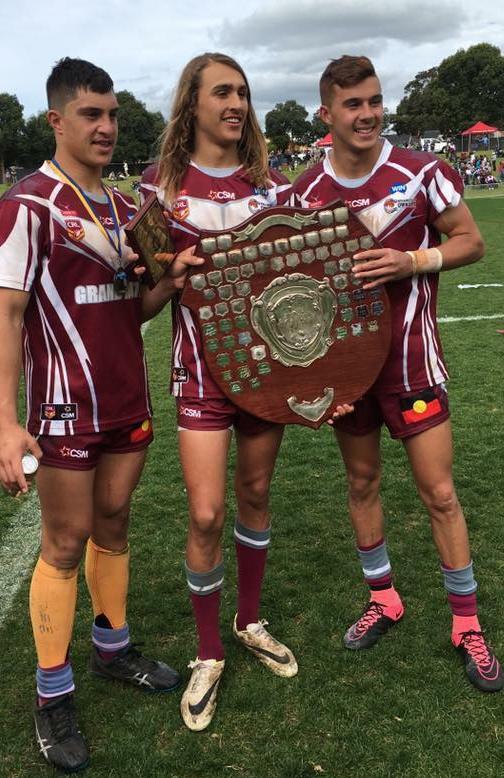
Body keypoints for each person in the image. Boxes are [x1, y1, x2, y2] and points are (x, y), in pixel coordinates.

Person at [0, 57, 201, 773]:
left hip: (126, 400)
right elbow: (3, 317)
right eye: (91, 115)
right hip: (63, 407)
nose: (106, 127)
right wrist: (4, 423)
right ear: (56, 120)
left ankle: (113, 649)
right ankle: (52, 694)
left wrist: (170, 280)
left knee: (114, 525)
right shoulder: (27, 206)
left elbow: (130, 306)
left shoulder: (127, 205)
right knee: (65, 541)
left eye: (112, 115)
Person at [141, 52, 352, 732]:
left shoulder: (276, 189)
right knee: (205, 515)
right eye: (222, 92)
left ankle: (248, 619)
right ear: (193, 104)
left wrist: (327, 380)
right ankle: (209, 653)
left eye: (243, 92)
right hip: (200, 375)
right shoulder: (158, 191)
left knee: (256, 495)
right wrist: (170, 278)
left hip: (265, 374)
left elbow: (313, 294)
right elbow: (139, 305)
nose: (236, 103)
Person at [292, 55, 502, 693]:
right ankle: (384, 598)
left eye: (375, 101)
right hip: (348, 373)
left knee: (439, 494)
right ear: (326, 114)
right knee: (361, 482)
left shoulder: (423, 172)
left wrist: (413, 259)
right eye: (353, 104)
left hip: (411, 364)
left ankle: (466, 623)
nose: (368, 114)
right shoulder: (304, 192)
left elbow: (470, 240)